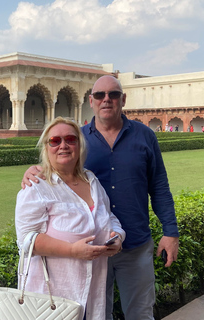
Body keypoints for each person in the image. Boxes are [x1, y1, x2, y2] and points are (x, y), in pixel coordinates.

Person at [21, 75, 179, 319]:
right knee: (96, 312)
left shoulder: (144, 136)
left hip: (134, 244)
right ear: (91, 100)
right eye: (100, 95)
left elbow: (159, 185)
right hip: (90, 253)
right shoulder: (77, 139)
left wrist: (170, 232)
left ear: (122, 99)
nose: (107, 100)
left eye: (113, 94)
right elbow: (57, 167)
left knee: (140, 313)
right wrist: (35, 171)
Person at [16, 116, 125, 320]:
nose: (63, 145)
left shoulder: (91, 180)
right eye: (55, 141)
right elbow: (27, 240)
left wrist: (118, 237)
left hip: (91, 295)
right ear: (46, 148)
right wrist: (73, 250)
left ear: (79, 145)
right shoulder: (36, 186)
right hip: (53, 301)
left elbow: (109, 216)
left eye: (70, 139)